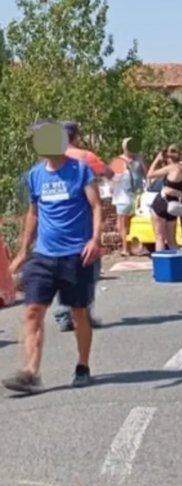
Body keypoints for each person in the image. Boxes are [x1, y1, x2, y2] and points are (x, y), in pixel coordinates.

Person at [3, 121, 102, 393]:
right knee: (32, 311)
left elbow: (95, 206)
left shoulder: (80, 170)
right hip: (44, 256)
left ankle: (83, 365)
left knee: (78, 313)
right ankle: (30, 373)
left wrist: (94, 240)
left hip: (76, 254)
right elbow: (33, 214)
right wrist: (23, 251)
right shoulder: (35, 175)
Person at [55, 121, 110, 332]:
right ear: (76, 137)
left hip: (58, 221)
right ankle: (82, 313)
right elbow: (108, 172)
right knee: (89, 265)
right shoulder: (85, 157)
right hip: (83, 218)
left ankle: (63, 315)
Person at [111, 138, 147, 256]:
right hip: (130, 196)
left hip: (129, 196)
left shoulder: (131, 160)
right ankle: (129, 247)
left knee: (125, 223)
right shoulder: (126, 160)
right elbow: (114, 179)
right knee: (126, 223)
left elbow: (112, 179)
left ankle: (127, 248)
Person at [147, 146, 182, 252]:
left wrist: (156, 160)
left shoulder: (171, 168)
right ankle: (180, 264)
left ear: (168, 158)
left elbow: (150, 175)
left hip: (162, 203)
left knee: (160, 238)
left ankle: (160, 265)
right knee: (172, 240)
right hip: (173, 206)